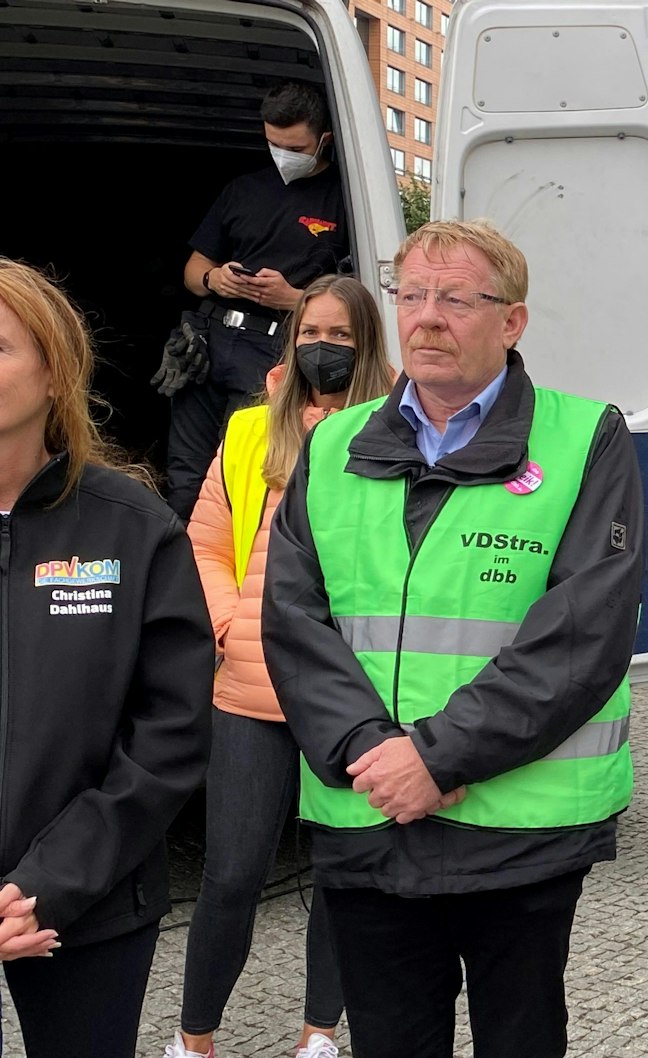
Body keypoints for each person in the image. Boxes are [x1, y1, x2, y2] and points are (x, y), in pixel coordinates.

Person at [261, 220, 645, 1058]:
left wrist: (438, 758)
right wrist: (372, 748)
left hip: (516, 831)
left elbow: (584, 632)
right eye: (412, 295)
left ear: (512, 322)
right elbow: (293, 621)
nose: (427, 317)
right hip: (369, 817)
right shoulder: (331, 444)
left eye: (457, 298)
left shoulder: (586, 437)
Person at [165, 276, 395, 1058]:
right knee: (230, 875)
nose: (321, 348)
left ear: (366, 346)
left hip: (349, 693)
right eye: (310, 332)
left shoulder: (397, 432)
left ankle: (318, 1037)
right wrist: (230, 624)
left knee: (341, 877)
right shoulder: (249, 430)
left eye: (340, 335)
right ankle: (194, 1040)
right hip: (252, 684)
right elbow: (204, 543)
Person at [0, 259, 212, 1056]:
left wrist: (48, 883)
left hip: (91, 903)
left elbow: (171, 734)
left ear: (55, 373)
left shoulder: (132, 528)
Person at [170, 81, 351, 520]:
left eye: (294, 146)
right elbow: (193, 271)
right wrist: (216, 279)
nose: (282, 154)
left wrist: (296, 300)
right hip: (209, 343)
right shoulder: (242, 190)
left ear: (324, 140)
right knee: (184, 474)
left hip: (276, 350)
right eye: (273, 143)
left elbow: (358, 298)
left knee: (244, 471)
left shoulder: (346, 197)